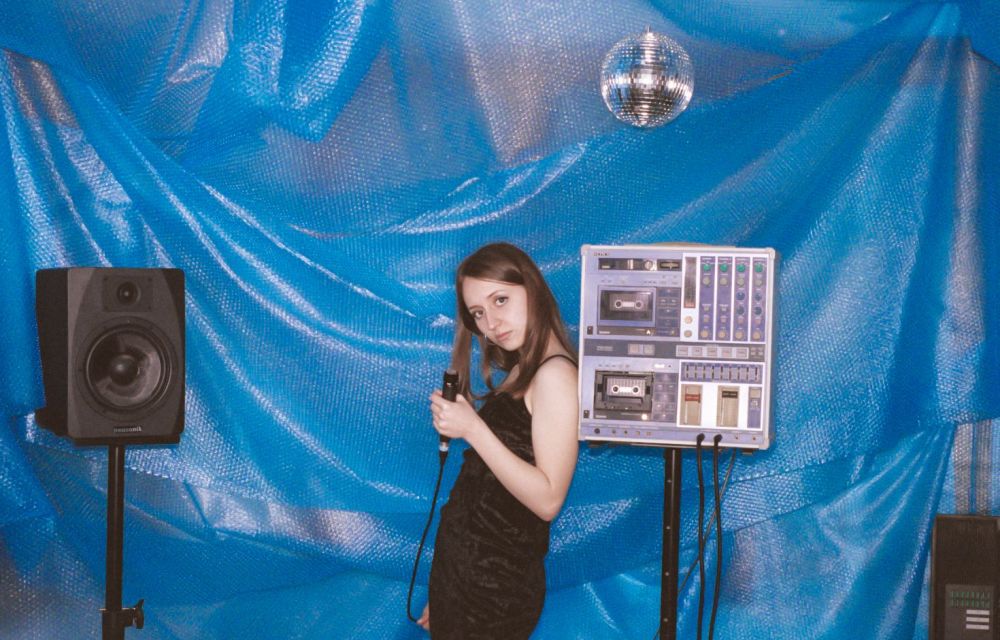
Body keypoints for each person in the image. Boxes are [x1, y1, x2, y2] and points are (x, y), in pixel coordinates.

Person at [417, 242, 579, 639]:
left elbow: (548, 500)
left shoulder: (555, 376)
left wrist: (473, 429)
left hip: (494, 592)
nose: (491, 322)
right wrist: (446, 588)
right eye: (478, 312)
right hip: (465, 581)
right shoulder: (525, 368)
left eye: (500, 300)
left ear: (532, 288)